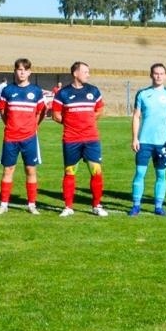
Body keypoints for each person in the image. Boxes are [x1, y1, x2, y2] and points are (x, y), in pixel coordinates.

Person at [51, 61, 107, 217]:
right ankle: (68, 207)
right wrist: (71, 123)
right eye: (85, 71)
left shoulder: (94, 91)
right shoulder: (63, 93)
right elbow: (56, 115)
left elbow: (100, 110)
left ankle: (97, 206)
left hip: (91, 138)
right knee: (70, 172)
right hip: (71, 139)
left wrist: (88, 121)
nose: (88, 74)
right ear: (75, 73)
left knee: (96, 171)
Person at [0, 58, 46, 214]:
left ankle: (31, 204)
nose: (22, 72)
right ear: (15, 71)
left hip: (29, 137)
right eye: (19, 69)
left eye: (25, 69)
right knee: (8, 170)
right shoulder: (7, 90)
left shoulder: (36, 91)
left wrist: (33, 126)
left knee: (31, 170)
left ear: (29, 72)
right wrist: (11, 125)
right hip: (11, 136)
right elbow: (3, 112)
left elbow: (41, 112)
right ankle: (3, 204)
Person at [130, 63, 166, 216]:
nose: (159, 76)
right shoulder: (143, 94)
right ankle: (136, 206)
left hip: (162, 144)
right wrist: (135, 139)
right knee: (139, 173)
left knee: (161, 174)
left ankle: (158, 206)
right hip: (144, 142)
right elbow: (137, 117)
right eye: (156, 73)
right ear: (151, 75)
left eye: (161, 73)